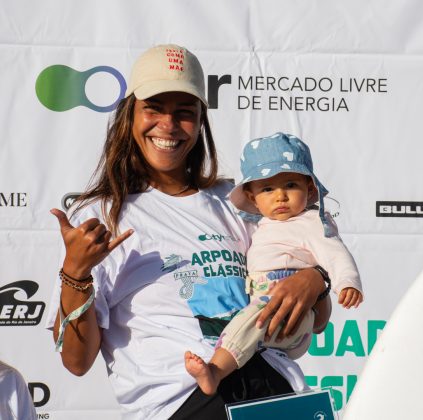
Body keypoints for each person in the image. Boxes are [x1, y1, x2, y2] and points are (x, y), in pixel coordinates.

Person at [46, 44, 331, 420]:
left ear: (200, 122)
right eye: (154, 109)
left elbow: (317, 317)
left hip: (277, 391)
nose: (168, 125)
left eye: (184, 113)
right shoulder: (103, 214)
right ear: (129, 115)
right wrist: (76, 273)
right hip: (184, 404)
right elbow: (76, 362)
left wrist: (315, 279)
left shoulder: (237, 203)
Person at [185, 132, 363, 395]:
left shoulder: (313, 221)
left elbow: (336, 253)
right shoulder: (259, 227)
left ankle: (216, 370)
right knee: (250, 320)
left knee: (252, 320)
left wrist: (346, 282)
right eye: (268, 189)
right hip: (269, 320)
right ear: (252, 196)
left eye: (290, 185)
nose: (280, 196)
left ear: (309, 188)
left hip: (289, 315)